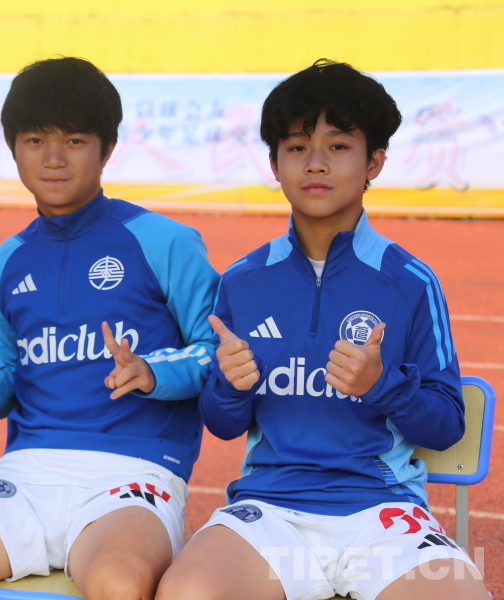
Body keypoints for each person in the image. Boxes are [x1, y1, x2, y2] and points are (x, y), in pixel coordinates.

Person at [0, 56, 221, 600]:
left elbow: (217, 353)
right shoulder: (6, 261)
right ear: (13, 148)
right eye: (34, 140)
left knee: (118, 584)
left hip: (135, 476)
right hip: (25, 475)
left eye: (74, 141)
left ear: (107, 148)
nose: (53, 158)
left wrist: (152, 372)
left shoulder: (165, 242)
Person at [156, 59, 488, 600]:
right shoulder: (243, 279)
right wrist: (230, 386)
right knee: (185, 593)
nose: (315, 163)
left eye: (338, 146)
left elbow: (447, 425)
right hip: (269, 511)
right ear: (274, 163)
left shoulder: (410, 281)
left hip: (382, 512)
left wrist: (382, 385)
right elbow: (221, 423)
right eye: (296, 147)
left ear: (374, 161)